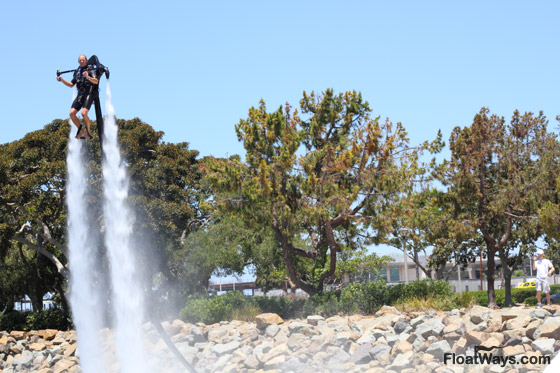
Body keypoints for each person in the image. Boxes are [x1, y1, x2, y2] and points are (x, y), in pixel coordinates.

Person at [56, 55, 99, 140]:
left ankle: (88, 133)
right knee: (71, 113)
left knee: (84, 113)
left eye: (83, 60)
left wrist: (88, 77)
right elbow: (71, 84)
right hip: (80, 95)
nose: (81, 61)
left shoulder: (91, 69)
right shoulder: (77, 71)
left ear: (86, 61)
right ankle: (81, 131)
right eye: (80, 60)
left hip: (89, 93)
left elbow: (96, 81)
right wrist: (62, 80)